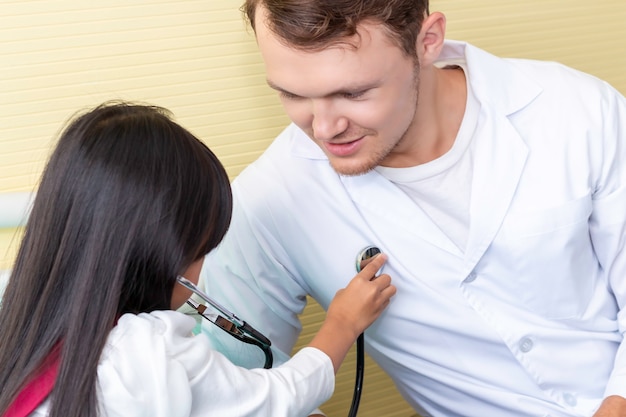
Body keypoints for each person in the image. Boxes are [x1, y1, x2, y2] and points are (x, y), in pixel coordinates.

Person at [198, 0, 626, 416]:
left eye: (353, 92)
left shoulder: (576, 109)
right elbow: (217, 382)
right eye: (291, 94)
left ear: (428, 40)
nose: (324, 128)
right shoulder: (272, 199)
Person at [0, 102, 396, 417]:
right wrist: (343, 323)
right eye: (201, 250)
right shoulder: (149, 351)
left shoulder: (21, 339)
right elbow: (275, 400)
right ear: (162, 254)